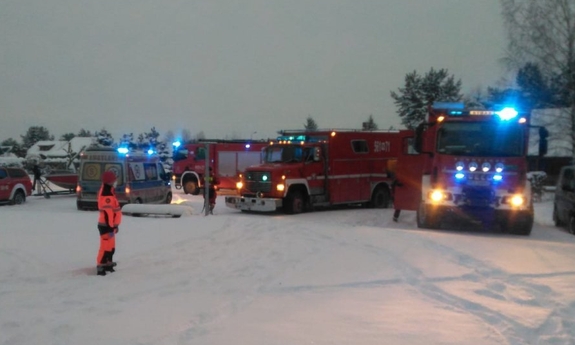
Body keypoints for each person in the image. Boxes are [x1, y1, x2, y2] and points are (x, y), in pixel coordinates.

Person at [96, 170, 122, 276]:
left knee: (111, 246)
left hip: (110, 225)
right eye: (114, 180)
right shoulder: (107, 194)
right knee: (105, 246)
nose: (115, 182)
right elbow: (108, 214)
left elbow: (114, 211)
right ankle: (101, 265)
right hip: (106, 226)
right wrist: (111, 227)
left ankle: (107, 262)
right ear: (109, 182)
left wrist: (115, 225)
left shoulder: (110, 191)